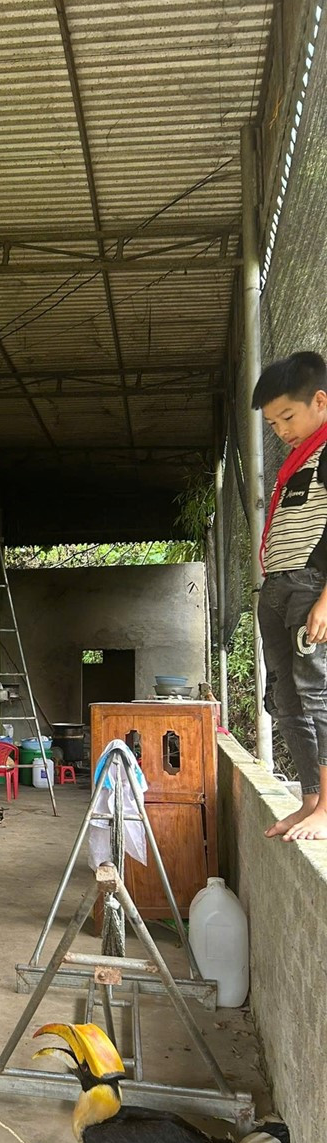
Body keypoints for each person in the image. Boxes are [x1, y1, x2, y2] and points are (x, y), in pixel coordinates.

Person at [251, 351, 327, 842]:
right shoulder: (298, 463)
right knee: (287, 697)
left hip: (311, 588)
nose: (280, 430)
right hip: (278, 587)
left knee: (318, 693)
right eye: (273, 423)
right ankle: (310, 801)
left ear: (320, 401)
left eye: (287, 417)